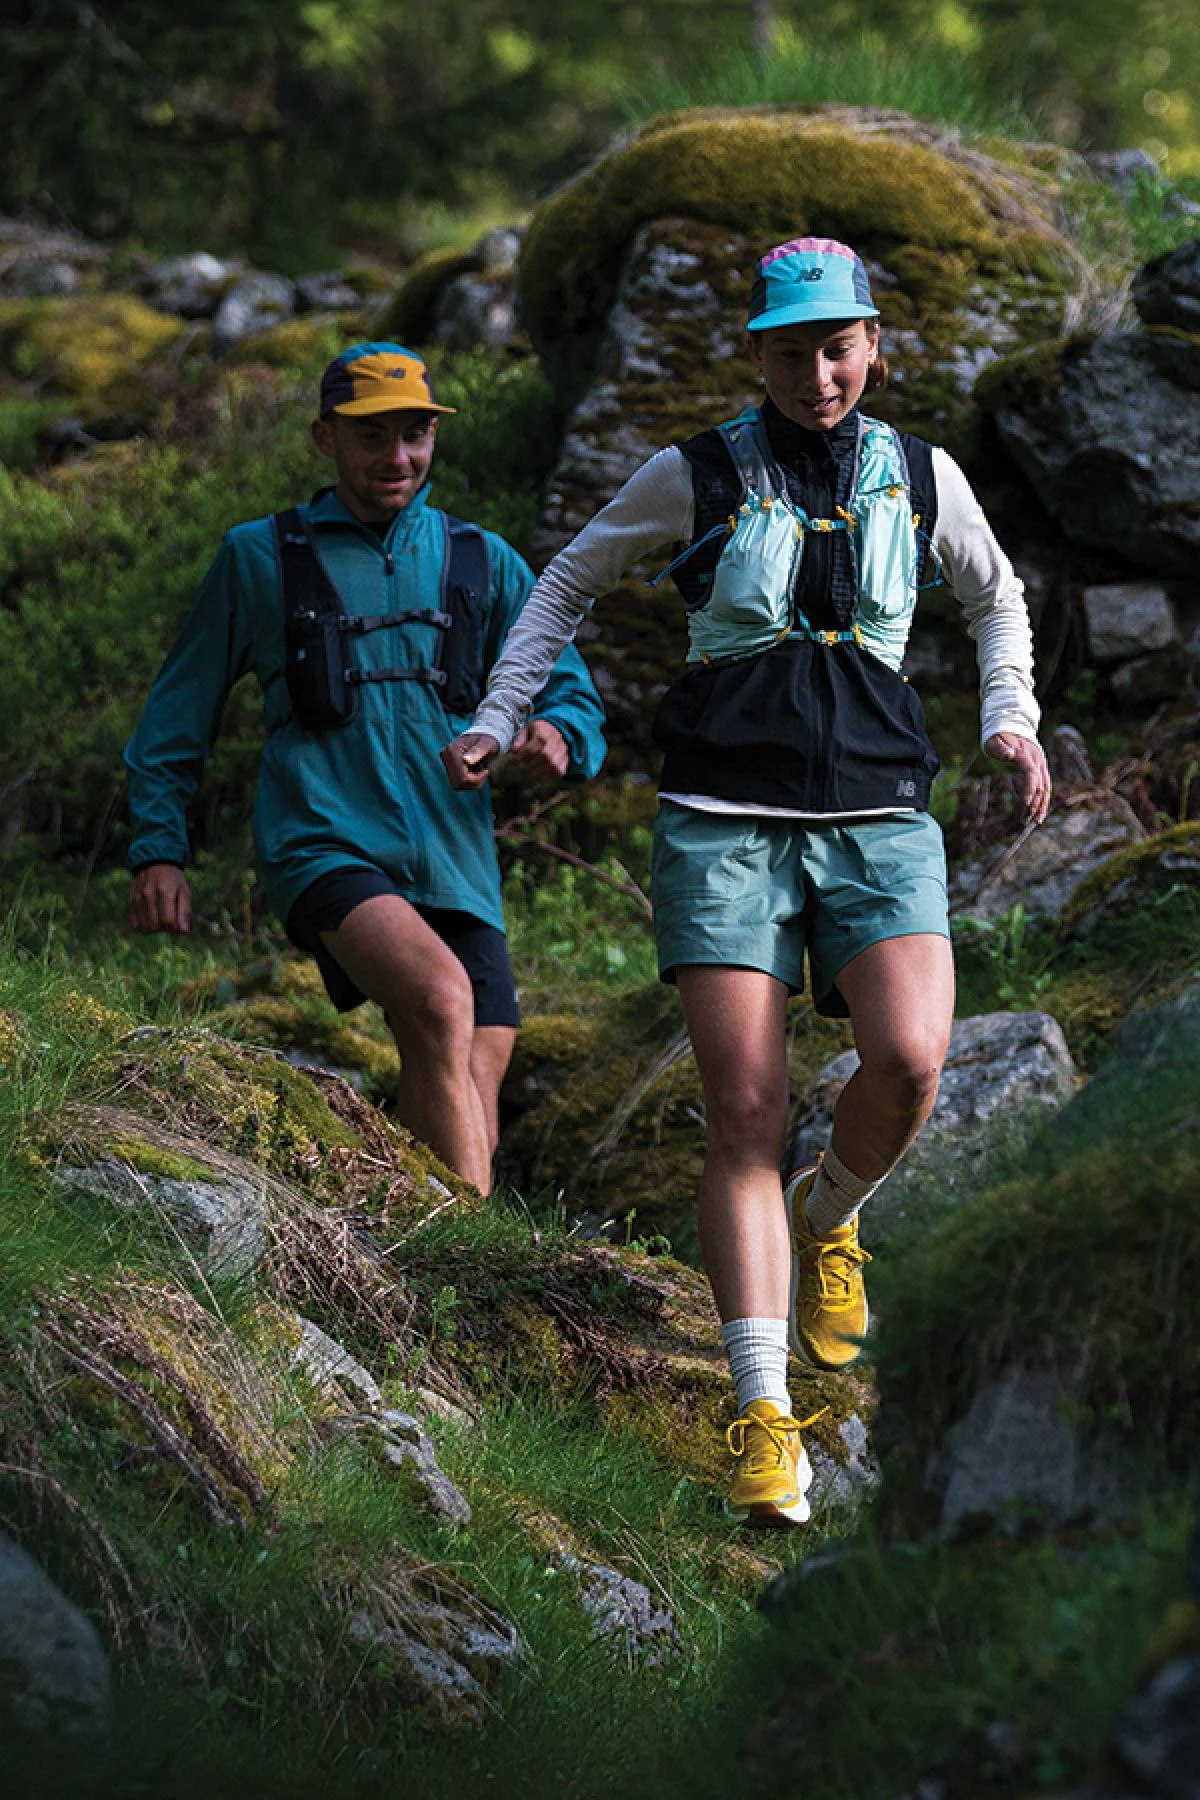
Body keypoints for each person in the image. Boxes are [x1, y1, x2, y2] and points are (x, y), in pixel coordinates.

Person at [443, 239, 1051, 1526]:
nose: (816, 376)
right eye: (789, 353)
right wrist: (502, 711)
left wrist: (1011, 714)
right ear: (756, 355)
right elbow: (566, 582)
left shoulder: (923, 474)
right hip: (722, 821)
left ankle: (831, 1218)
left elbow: (998, 599)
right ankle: (763, 1417)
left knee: (911, 1059)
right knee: (747, 1113)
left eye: (837, 349)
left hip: (881, 813)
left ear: (872, 345)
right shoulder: (696, 473)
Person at [126, 341, 606, 1193]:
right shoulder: (260, 556)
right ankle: (482, 1254)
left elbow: (567, 686)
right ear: (326, 438)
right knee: (440, 999)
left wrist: (557, 732)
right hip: (323, 838)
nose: (397, 457)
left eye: (415, 434)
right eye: (372, 435)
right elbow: (179, 711)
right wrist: (158, 849)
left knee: (479, 1059)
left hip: (455, 856)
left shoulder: (482, 559)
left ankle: (421, 1235)